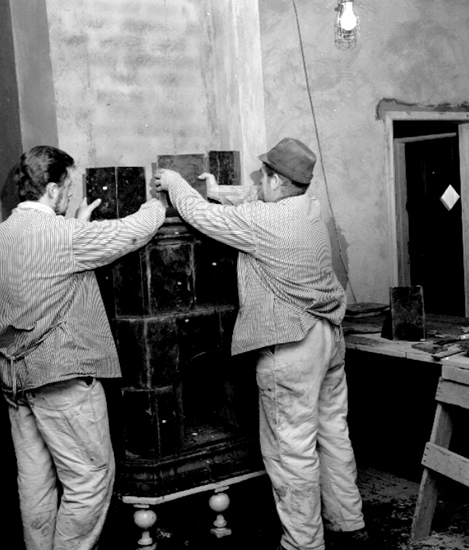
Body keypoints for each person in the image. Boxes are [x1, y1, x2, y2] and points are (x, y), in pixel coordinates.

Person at [154, 138, 374, 550]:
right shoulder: (308, 206)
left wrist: (176, 183)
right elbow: (254, 197)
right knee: (332, 434)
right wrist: (219, 189)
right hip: (328, 336)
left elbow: (201, 216)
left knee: (291, 451)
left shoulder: (263, 221)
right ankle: (349, 524)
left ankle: (304, 544)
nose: (258, 185)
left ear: (275, 181)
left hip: (290, 344)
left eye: (263, 178)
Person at [0, 145, 166, 550]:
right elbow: (131, 232)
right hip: (61, 377)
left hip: (16, 379)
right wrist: (158, 202)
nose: (69, 194)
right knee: (89, 480)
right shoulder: (65, 236)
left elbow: (42, 273)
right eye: (66, 188)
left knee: (35, 483)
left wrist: (75, 226)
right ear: (51, 189)